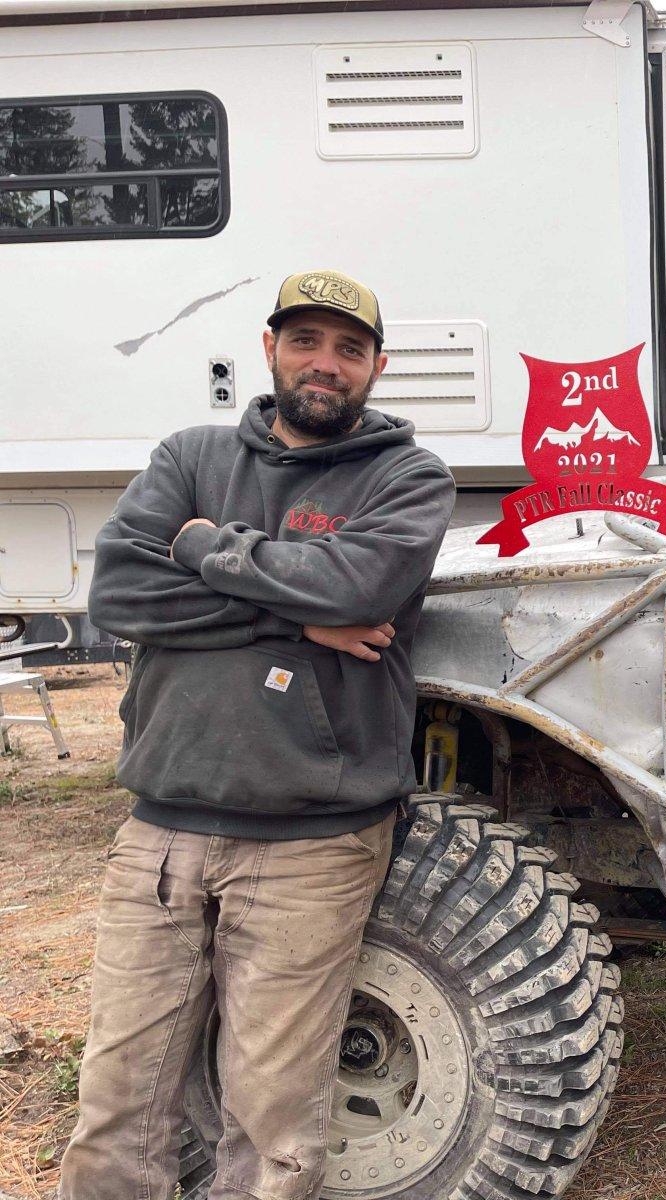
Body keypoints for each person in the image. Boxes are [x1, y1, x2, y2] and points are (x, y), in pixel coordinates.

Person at [59, 270, 455, 1200]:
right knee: (116, 1105)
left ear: (378, 366)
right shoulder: (190, 456)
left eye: (349, 349)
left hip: (312, 844)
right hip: (161, 832)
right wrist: (294, 618)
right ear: (270, 348)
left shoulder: (407, 477)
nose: (326, 364)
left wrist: (204, 549)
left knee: (270, 1123)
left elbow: (359, 589)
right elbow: (121, 595)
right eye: (306, 341)